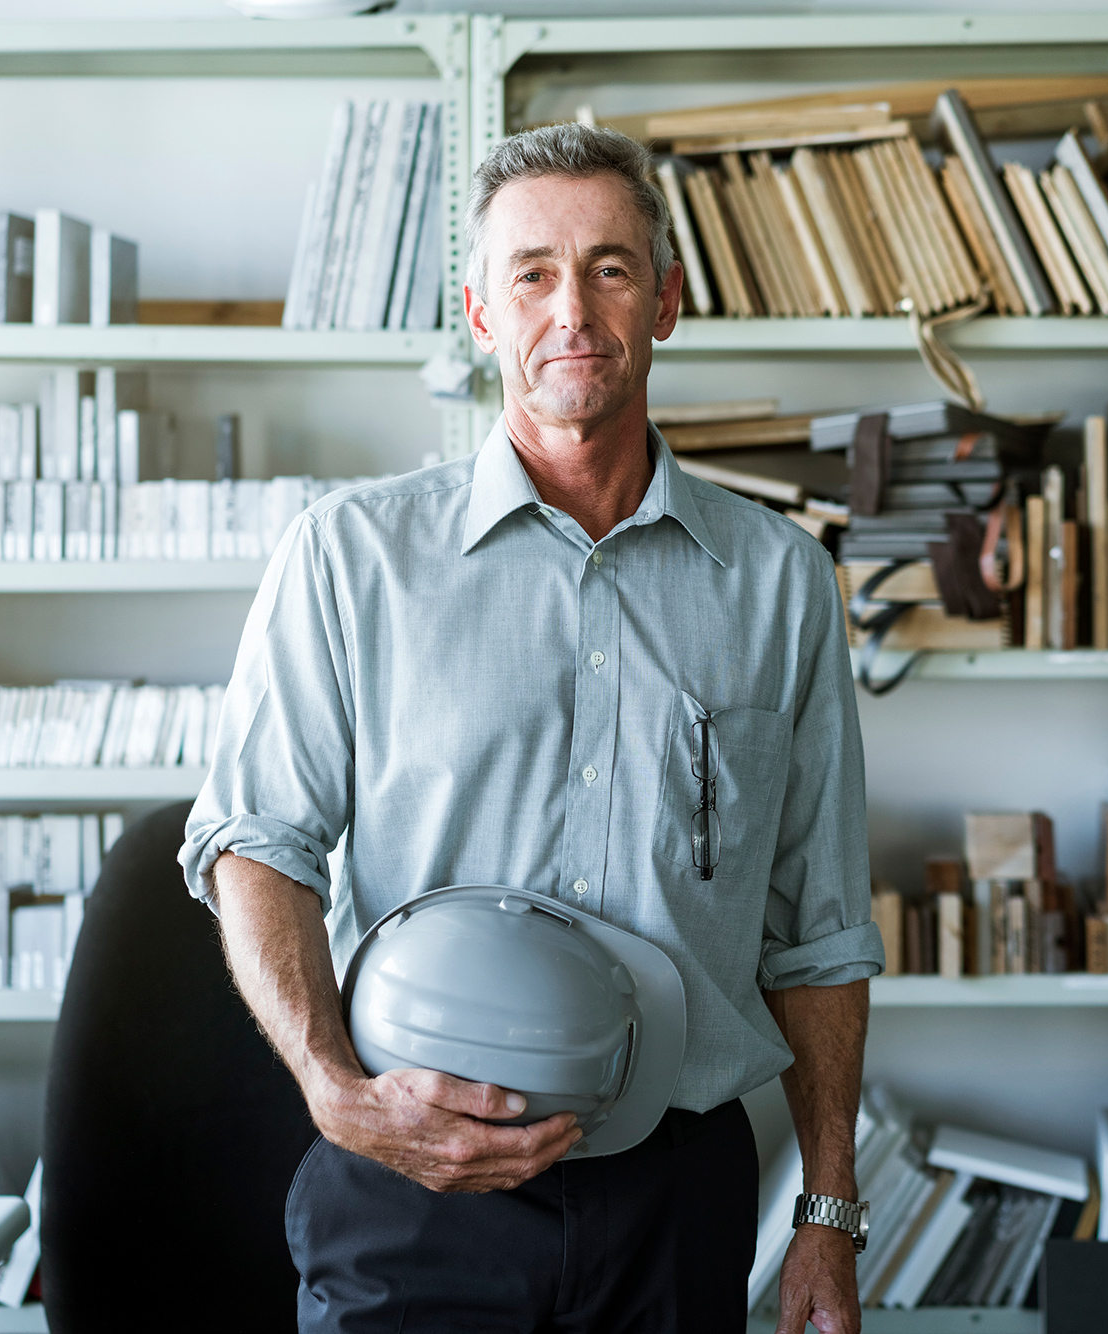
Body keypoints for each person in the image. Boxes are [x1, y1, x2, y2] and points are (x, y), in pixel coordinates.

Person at [180, 123, 881, 1334]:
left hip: (675, 1200)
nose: (574, 308)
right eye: (533, 273)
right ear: (479, 310)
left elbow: (817, 932)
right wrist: (333, 1090)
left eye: (610, 267)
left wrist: (827, 1205)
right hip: (411, 1179)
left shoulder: (778, 581)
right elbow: (255, 842)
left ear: (665, 300)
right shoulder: (353, 558)